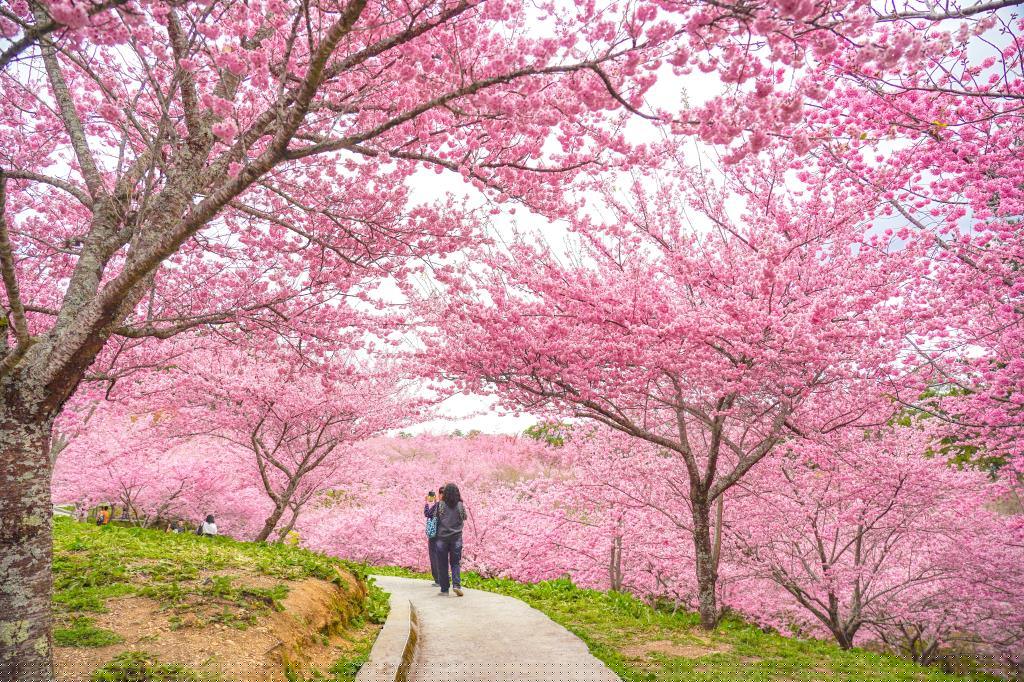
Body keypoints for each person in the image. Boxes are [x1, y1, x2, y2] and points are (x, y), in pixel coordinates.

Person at [435, 483, 467, 597]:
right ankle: (456, 585)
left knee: (442, 564)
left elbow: (436, 517)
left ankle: (444, 589)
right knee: (455, 563)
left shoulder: (441, 505)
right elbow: (465, 517)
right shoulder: (460, 505)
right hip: (456, 537)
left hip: (442, 538)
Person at [424, 490, 440, 587]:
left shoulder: (437, 505)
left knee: (433, 555)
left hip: (434, 535)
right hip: (444, 535)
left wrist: (426, 503)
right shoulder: (447, 506)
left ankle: (438, 579)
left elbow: (427, 513)